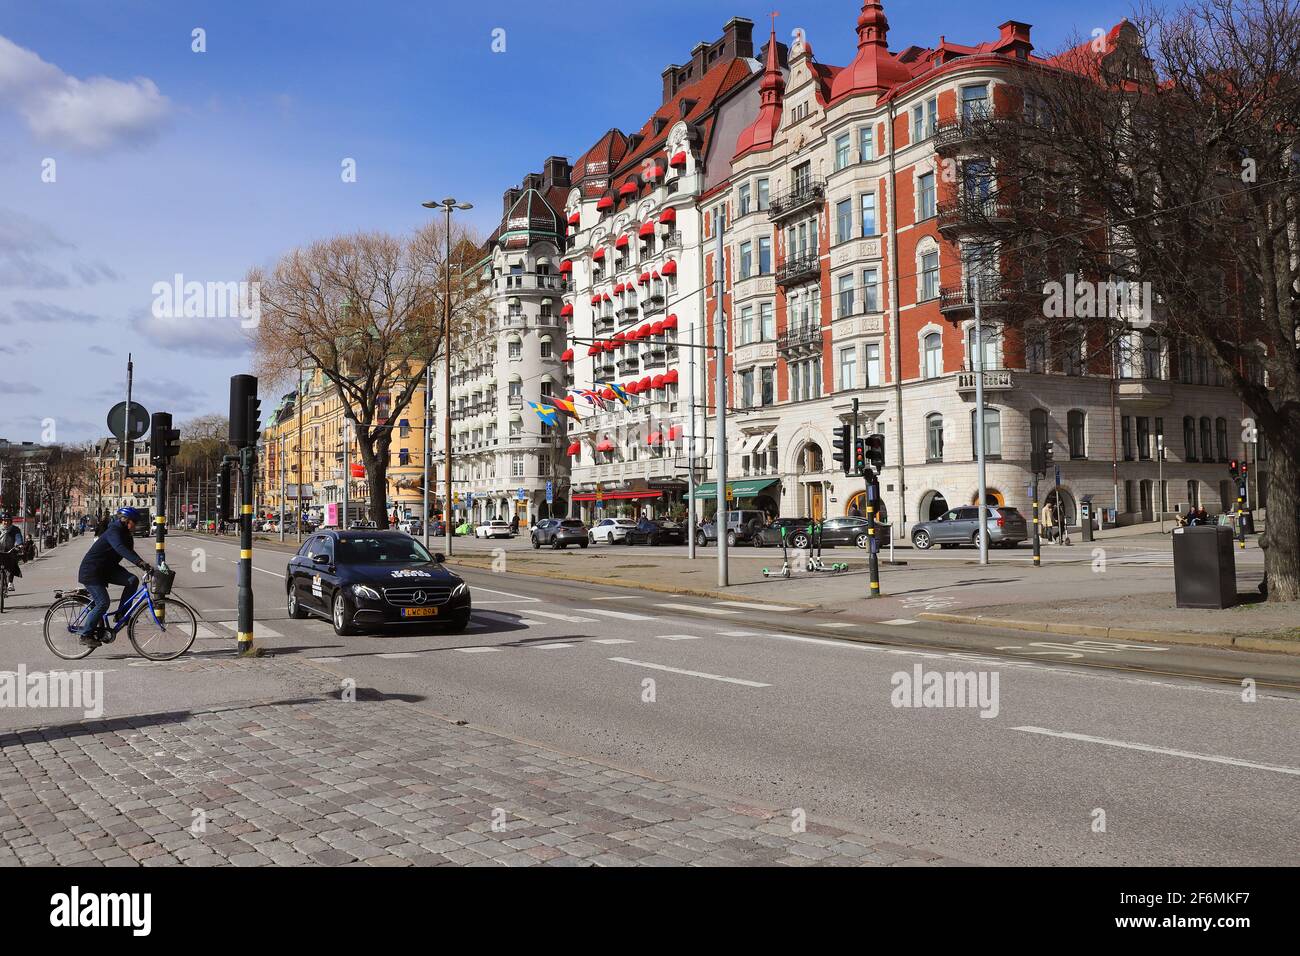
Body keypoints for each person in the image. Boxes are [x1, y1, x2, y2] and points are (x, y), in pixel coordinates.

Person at [74, 507, 153, 647]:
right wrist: (139, 562)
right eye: (134, 522)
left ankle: (121, 614)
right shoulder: (114, 531)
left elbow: (129, 551)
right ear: (126, 520)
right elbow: (120, 548)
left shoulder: (126, 533)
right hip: (91, 571)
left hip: (106, 569)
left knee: (132, 580)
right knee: (103, 603)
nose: (136, 525)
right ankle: (85, 634)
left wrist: (144, 564)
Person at [0, 514, 23, 591]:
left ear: (10, 521)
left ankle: (10, 582)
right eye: (4, 520)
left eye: (8, 521)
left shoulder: (15, 529)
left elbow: (18, 537)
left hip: (10, 550)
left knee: (12, 563)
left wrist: (19, 545)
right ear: (1, 521)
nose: (6, 522)